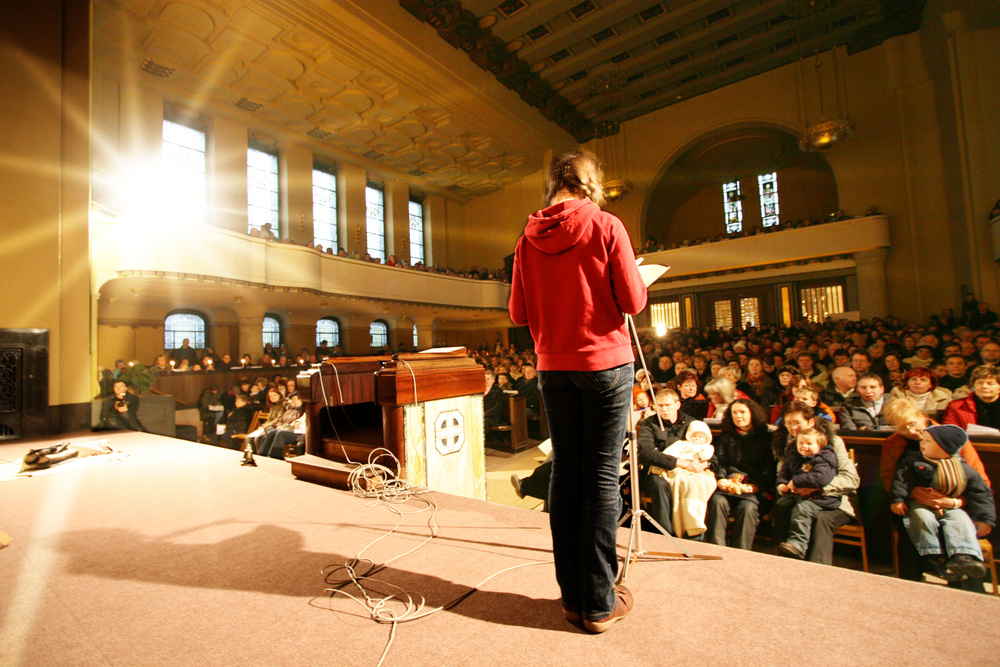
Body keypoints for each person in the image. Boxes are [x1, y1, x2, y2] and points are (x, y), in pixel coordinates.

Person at [508, 150, 646, 634]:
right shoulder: (607, 225)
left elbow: (518, 315)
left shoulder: (528, 239)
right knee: (602, 477)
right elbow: (632, 299)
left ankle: (573, 599)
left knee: (566, 474)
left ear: (552, 186)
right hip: (606, 363)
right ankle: (599, 602)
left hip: (553, 367)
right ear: (592, 183)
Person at [890, 424, 995, 581]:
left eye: (928, 441)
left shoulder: (962, 466)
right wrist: (899, 499)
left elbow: (981, 492)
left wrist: (985, 519)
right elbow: (899, 481)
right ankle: (935, 557)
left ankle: (963, 557)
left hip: (954, 507)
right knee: (921, 519)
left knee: (961, 521)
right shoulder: (913, 461)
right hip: (919, 506)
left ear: (944, 446)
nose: (921, 442)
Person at [770, 402, 859, 565]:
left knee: (821, 518)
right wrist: (789, 488)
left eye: (797, 423)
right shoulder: (788, 444)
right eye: (788, 423)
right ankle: (786, 560)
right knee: (783, 507)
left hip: (834, 499)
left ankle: (819, 569)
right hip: (798, 497)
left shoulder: (831, 442)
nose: (793, 428)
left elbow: (851, 479)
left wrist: (820, 488)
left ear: (811, 422)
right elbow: (781, 475)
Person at [704, 399, 774, 550]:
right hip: (729, 483)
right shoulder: (726, 435)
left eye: (742, 412)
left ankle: (741, 552)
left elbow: (769, 469)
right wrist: (721, 479)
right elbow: (721, 463)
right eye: (734, 413)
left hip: (753, 487)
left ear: (752, 414)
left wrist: (755, 486)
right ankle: (716, 549)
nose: (738, 416)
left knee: (747, 507)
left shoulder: (766, 437)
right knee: (717, 501)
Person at [637, 388, 699, 536]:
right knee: (659, 485)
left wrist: (706, 463)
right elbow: (646, 452)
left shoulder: (692, 423)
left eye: (667, 405)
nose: (663, 409)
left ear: (677, 405)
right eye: (659, 406)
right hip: (656, 471)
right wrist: (677, 462)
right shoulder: (649, 424)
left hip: (687, 472)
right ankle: (666, 534)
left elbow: (707, 447)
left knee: (697, 482)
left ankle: (694, 534)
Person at [774, 427, 840, 559]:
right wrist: (782, 482)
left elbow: (821, 478)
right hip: (799, 495)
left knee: (802, 510)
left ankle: (798, 544)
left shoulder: (824, 458)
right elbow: (785, 470)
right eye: (801, 443)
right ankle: (779, 542)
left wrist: (796, 481)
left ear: (820, 446)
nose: (804, 446)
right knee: (781, 504)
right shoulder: (794, 456)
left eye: (809, 444)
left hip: (820, 498)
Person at [657, 420, 718, 539]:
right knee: (683, 482)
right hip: (680, 467)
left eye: (700, 436)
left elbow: (707, 456)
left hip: (699, 469)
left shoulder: (707, 448)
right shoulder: (682, 444)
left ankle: (694, 522)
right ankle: (686, 524)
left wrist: (700, 459)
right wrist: (681, 461)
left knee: (702, 482)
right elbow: (668, 454)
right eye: (694, 436)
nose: (697, 439)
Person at [943, 365, 1000, 430]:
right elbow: (949, 432)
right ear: (973, 386)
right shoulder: (956, 406)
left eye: (990, 383)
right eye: (979, 383)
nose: (984, 386)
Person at [887, 367, 952, 412]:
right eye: (914, 379)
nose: (918, 382)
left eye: (923, 380)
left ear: (930, 384)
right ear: (907, 382)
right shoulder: (898, 393)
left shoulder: (944, 396)